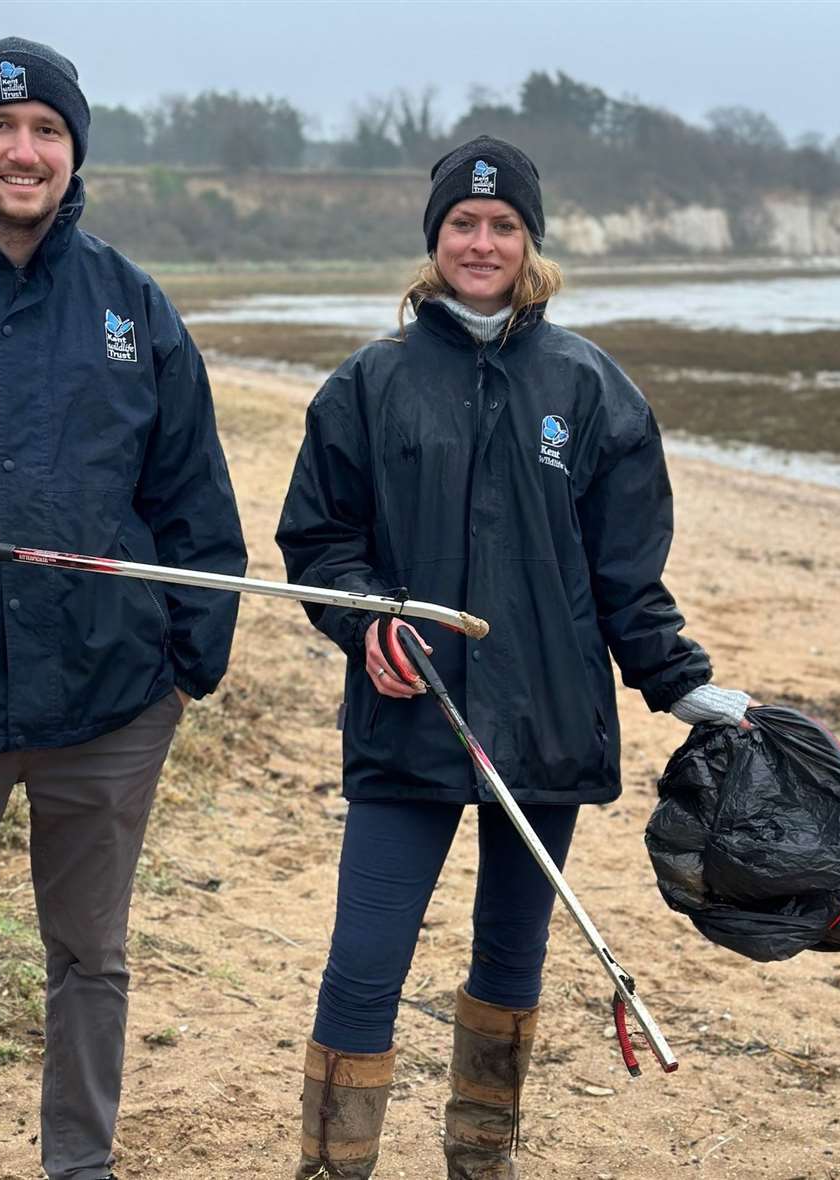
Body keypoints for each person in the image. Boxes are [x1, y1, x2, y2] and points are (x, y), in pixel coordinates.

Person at [275, 135, 750, 1180]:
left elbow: (626, 574)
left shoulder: (591, 389)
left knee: (510, 956)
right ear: (434, 238)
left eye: (502, 225)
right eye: (462, 224)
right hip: (412, 714)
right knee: (363, 963)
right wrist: (366, 623)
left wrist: (680, 680)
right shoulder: (369, 383)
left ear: (530, 240)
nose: (481, 241)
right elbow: (318, 543)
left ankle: (479, 1158)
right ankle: (331, 1166)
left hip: (543, 724)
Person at [0, 37, 245, 1180]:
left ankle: (82, 1164)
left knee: (90, 958)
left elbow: (192, 498)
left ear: (75, 150)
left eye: (49, 132)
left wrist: (184, 667)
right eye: (2, 130)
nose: (25, 152)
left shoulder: (130, 303)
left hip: (109, 705)